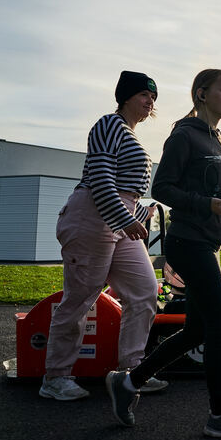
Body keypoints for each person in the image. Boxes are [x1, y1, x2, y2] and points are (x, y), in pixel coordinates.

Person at [106, 68, 221, 440]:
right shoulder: (184, 136)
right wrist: (204, 204)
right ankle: (220, 415)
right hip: (186, 241)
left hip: (208, 242)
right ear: (201, 94)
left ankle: (128, 383)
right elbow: (162, 187)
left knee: (197, 329)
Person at [40, 71, 167, 401]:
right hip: (92, 216)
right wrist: (125, 218)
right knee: (80, 298)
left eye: (153, 96)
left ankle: (131, 373)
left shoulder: (132, 135)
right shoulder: (108, 125)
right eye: (143, 94)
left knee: (144, 290)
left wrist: (139, 214)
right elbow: (100, 179)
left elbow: (127, 190)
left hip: (118, 219)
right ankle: (55, 377)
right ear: (124, 97)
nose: (150, 101)